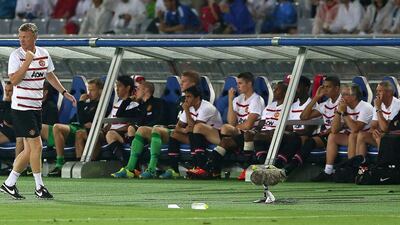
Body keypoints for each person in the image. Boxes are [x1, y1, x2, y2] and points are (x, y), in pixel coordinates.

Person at [0, 23, 76, 200]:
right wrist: (27, 61)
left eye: (25, 37)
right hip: (21, 108)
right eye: (20, 37)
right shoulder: (16, 56)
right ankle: (39, 187)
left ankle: (9, 183)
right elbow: (15, 81)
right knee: (37, 146)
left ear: (35, 37)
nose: (22, 40)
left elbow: (50, 75)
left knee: (29, 150)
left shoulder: (44, 54)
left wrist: (64, 92)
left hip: (35, 108)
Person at [111, 71, 200, 178]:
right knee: (141, 130)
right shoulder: (141, 106)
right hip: (168, 132)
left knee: (154, 129)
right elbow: (120, 114)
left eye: (184, 82)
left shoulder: (160, 102)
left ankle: (151, 168)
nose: (180, 84)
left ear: (145, 90)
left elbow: (163, 119)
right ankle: (130, 168)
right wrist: (129, 99)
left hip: (171, 132)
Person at [187, 72, 264, 179]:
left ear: (249, 84)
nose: (238, 86)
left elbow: (248, 126)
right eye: (238, 83)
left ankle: (211, 168)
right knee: (198, 127)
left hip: (248, 134)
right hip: (231, 133)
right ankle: (201, 166)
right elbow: (232, 122)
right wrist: (230, 100)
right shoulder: (238, 99)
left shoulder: (256, 100)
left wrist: (235, 126)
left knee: (225, 128)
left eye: (240, 83)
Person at [312, 83, 374, 181]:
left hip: (367, 137)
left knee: (353, 135)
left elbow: (355, 128)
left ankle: (352, 168)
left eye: (345, 94)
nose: (342, 97)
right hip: (353, 137)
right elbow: (334, 129)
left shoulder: (365, 107)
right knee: (333, 136)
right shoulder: (344, 106)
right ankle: (328, 170)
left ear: (353, 96)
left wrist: (344, 113)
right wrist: (338, 112)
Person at [159, 86, 222, 179]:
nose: (186, 99)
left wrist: (187, 111)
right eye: (185, 96)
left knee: (196, 129)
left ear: (197, 98)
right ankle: (174, 170)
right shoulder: (189, 107)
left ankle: (199, 166)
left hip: (214, 137)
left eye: (189, 97)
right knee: (174, 134)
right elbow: (177, 127)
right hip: (198, 138)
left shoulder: (206, 107)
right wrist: (184, 130)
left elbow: (194, 128)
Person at [48, 78, 102, 176]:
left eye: (92, 90)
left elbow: (85, 119)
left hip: (93, 131)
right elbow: (79, 120)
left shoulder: (102, 104)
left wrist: (81, 103)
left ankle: (83, 163)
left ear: (100, 91)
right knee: (57, 127)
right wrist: (83, 109)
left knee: (80, 132)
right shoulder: (88, 104)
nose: (89, 93)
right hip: (80, 128)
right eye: (89, 90)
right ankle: (67, 162)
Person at [356, 81, 400, 159]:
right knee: (361, 135)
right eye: (377, 91)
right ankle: (361, 166)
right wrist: (374, 130)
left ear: (389, 93)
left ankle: (383, 166)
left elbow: (386, 128)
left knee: (381, 138)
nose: (377, 94)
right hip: (383, 136)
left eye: (380, 91)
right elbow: (373, 126)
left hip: (394, 138)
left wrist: (378, 109)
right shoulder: (378, 104)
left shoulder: (397, 104)